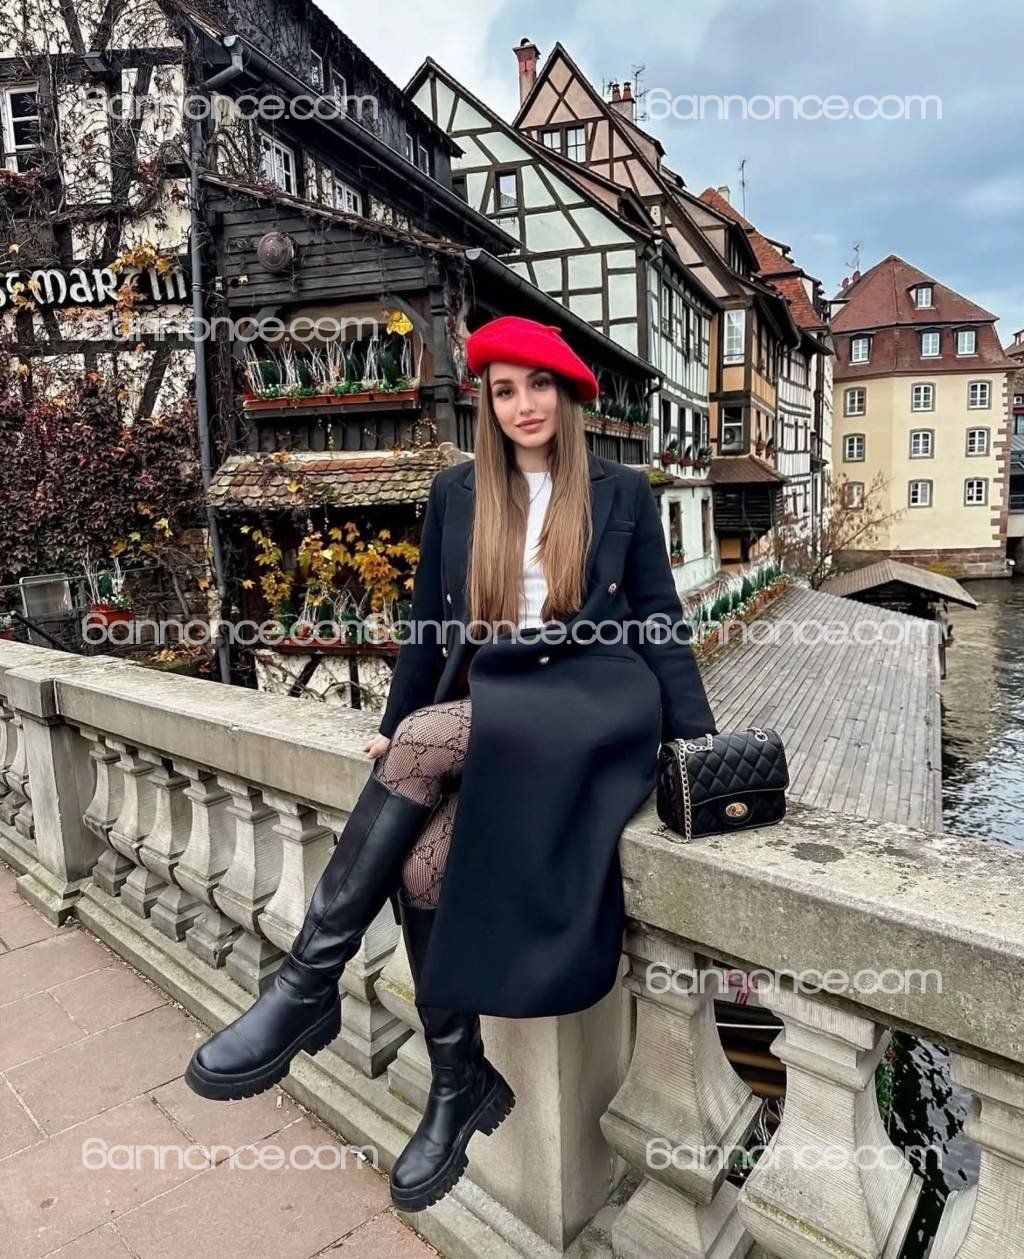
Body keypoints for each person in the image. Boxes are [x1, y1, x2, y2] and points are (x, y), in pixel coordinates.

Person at [184, 314, 718, 1214]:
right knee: (423, 865)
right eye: (503, 390)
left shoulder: (622, 490)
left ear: (567, 393)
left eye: (538, 384)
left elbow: (660, 623)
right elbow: (431, 624)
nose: (523, 404)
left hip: (596, 699)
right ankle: (456, 1076)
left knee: (429, 744)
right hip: (503, 698)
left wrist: (699, 746)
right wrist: (395, 727)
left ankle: (306, 984)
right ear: (487, 402)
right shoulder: (459, 491)